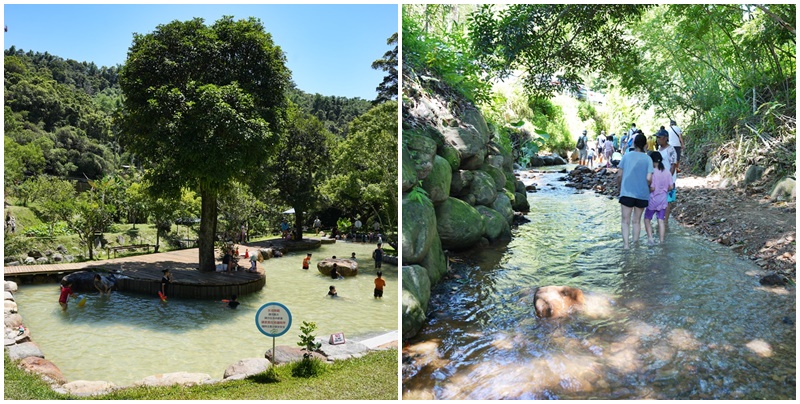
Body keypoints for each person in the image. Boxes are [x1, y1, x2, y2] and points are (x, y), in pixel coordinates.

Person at [616, 133, 653, 249]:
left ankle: (626, 246)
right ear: (646, 145)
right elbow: (649, 178)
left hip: (627, 192)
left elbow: (619, 175)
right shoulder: (648, 159)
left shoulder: (626, 156)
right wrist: (646, 185)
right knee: (636, 221)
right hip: (642, 194)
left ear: (634, 144)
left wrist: (619, 187)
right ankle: (635, 245)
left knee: (625, 220)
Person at [644, 152, 674, 246]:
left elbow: (652, 188)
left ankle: (650, 239)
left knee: (647, 219)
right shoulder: (667, 171)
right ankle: (661, 241)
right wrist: (663, 189)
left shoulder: (652, 172)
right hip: (663, 200)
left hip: (653, 200)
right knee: (661, 220)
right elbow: (671, 187)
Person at [656, 128, 678, 225]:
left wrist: (668, 180)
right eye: (656, 137)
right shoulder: (659, 149)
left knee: (667, 201)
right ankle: (660, 220)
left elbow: (673, 165)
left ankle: (665, 222)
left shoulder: (670, 149)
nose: (657, 139)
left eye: (659, 137)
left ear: (665, 138)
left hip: (668, 179)